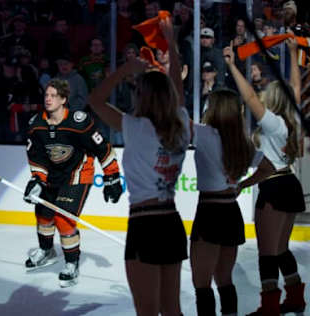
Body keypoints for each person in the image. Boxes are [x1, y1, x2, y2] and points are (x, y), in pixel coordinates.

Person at [88, 17, 190, 315]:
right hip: (171, 222)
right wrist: (170, 42)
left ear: (142, 97)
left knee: (147, 311)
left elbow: (95, 101)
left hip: (145, 224)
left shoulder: (135, 127)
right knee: (172, 309)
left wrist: (125, 69)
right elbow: (179, 93)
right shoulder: (181, 124)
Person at [224, 37, 306, 316]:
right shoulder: (293, 118)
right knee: (281, 249)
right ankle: (295, 297)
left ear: (272, 100)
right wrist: (294, 54)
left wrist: (233, 66)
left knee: (267, 253)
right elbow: (295, 88)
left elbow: (247, 97)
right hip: (290, 184)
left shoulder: (273, 124)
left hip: (274, 187)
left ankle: (269, 307)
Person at [23, 78, 122, 288]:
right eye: (46, 95)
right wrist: (37, 180)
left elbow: (102, 148)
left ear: (64, 99)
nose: (47, 99)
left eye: (53, 96)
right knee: (43, 215)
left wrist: (111, 177)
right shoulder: (36, 125)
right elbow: (37, 157)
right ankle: (47, 250)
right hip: (51, 177)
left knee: (64, 218)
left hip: (78, 174)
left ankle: (71, 263)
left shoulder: (79, 122)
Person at [190, 88, 275, 316]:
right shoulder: (242, 141)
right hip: (230, 211)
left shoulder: (205, 134)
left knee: (202, 283)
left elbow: (176, 120)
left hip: (210, 211)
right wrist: (242, 185)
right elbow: (269, 167)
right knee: (225, 280)